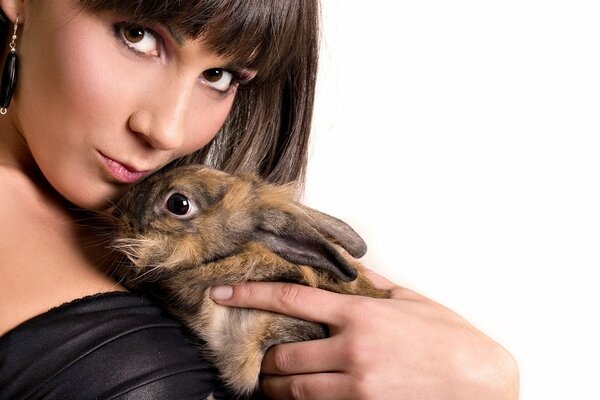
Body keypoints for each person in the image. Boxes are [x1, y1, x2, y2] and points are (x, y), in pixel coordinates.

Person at [0, 0, 519, 399]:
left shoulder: (202, 235)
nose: (167, 130)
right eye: (137, 36)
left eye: (219, 76)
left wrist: (480, 379)